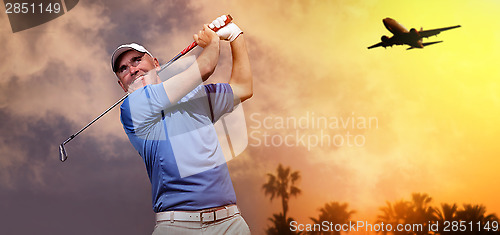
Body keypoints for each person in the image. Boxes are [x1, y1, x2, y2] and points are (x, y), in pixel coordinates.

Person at [111, 16, 252, 234]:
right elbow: (205, 68)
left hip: (230, 223)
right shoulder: (132, 107)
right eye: (123, 69)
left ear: (156, 64)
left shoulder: (193, 95)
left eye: (137, 60)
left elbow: (243, 88)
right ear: (122, 85)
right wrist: (212, 41)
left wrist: (236, 36)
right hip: (177, 226)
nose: (132, 69)